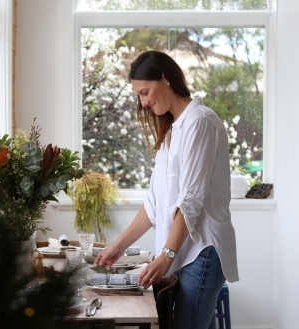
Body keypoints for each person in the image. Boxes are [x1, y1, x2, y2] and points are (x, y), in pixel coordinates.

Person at [93, 50, 239, 329]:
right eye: (139, 95)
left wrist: (166, 256)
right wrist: (117, 247)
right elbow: (154, 204)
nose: (144, 102)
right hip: (183, 251)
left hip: (201, 252)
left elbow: (191, 201)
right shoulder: (172, 131)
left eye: (146, 92)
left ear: (165, 78)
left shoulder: (200, 122)